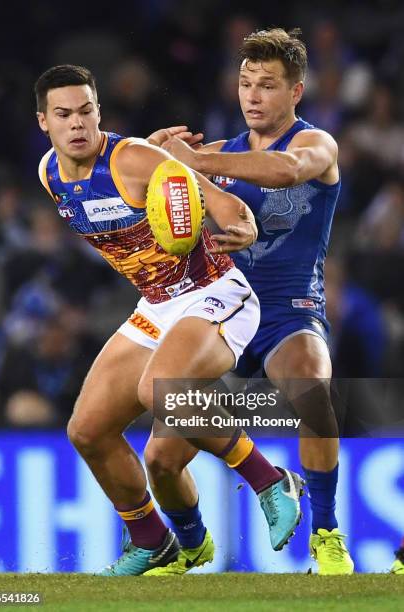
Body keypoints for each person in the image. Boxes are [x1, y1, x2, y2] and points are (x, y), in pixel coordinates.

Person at [34, 64, 304, 576]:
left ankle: (271, 481)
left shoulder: (134, 159)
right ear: (43, 122)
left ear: (99, 112)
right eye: (64, 114)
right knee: (87, 429)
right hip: (157, 306)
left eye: (87, 111)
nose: (77, 124)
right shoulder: (49, 174)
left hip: (217, 293)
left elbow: (223, 202)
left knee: (158, 386)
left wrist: (240, 224)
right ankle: (153, 540)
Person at [145, 27, 354, 575]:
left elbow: (285, 171)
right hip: (223, 312)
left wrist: (195, 162)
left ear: (296, 92)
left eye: (267, 85)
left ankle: (327, 536)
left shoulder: (317, 145)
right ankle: (190, 543)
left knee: (310, 385)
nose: (253, 95)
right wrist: (152, 155)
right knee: (161, 457)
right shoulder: (217, 154)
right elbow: (154, 188)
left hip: (290, 310)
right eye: (245, 83)